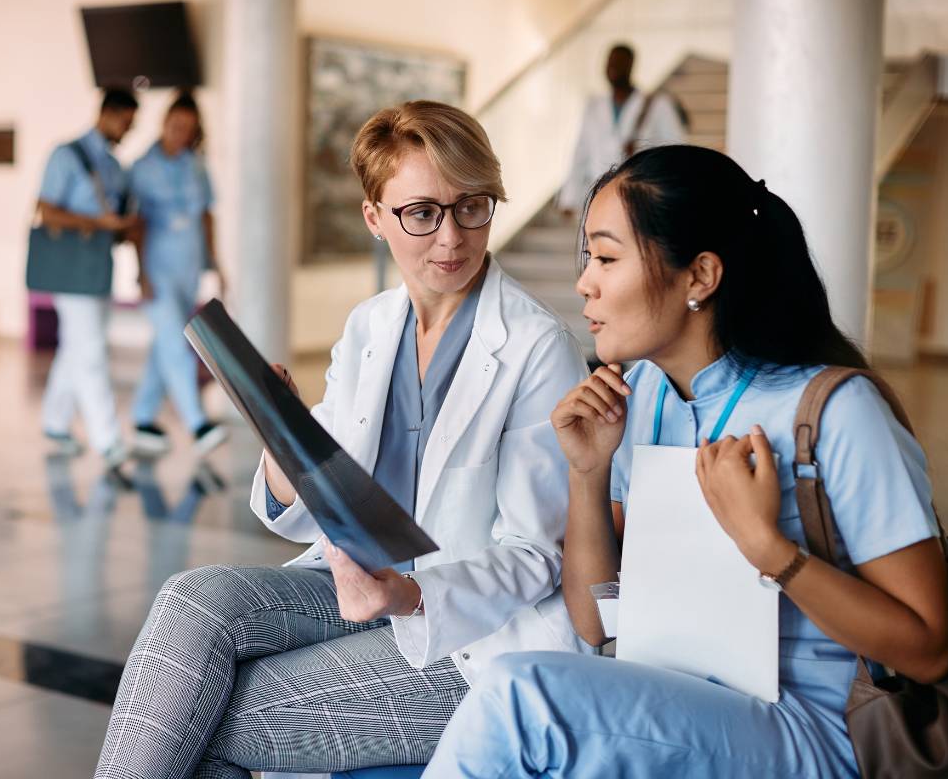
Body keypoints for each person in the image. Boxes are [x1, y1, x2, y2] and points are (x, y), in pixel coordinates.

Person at [94, 100, 590, 779]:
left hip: (470, 635)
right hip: (355, 589)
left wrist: (406, 597)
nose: (451, 238)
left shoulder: (538, 348)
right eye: (422, 213)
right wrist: (282, 442)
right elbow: (306, 509)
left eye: (472, 206)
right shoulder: (370, 327)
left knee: (205, 713)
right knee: (190, 600)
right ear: (374, 217)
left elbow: (536, 557)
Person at [422, 145, 948, 778]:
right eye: (589, 257)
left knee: (520, 697)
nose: (584, 282)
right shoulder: (641, 396)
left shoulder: (836, 411)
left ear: (699, 277)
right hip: (677, 690)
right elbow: (594, 622)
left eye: (608, 257)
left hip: (815, 727)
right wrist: (587, 473)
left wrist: (769, 550)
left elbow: (927, 649)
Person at [37, 88, 141, 468]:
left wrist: (118, 228)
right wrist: (95, 223)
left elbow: (115, 221)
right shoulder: (66, 156)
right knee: (92, 350)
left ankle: (55, 422)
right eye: (126, 122)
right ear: (108, 114)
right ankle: (108, 439)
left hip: (99, 265)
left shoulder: (114, 166)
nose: (127, 131)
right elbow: (46, 211)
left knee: (76, 346)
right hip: (70, 268)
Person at [128, 90, 229, 457]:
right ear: (164, 123)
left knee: (165, 343)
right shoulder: (141, 168)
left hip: (189, 268)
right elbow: (135, 225)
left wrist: (216, 264)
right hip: (157, 268)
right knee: (176, 343)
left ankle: (141, 418)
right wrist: (140, 274)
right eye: (175, 125)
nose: (180, 132)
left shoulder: (197, 166)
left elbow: (206, 216)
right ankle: (197, 423)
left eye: (187, 128)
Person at [558, 43, 685, 217]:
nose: (612, 68)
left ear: (631, 65)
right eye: (609, 63)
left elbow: (677, 152)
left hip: (640, 197)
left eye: (618, 63)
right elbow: (581, 153)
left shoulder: (658, 105)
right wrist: (569, 197)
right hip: (600, 195)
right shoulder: (594, 106)